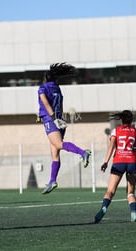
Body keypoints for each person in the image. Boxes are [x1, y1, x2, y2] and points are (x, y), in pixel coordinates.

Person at [38, 63, 91, 194]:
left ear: (46, 78)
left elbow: (45, 102)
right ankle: (52, 181)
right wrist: (60, 119)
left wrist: (53, 117)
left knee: (58, 144)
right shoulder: (57, 88)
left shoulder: (42, 88)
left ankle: (83, 153)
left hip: (51, 119)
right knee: (55, 154)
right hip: (59, 119)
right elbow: (60, 104)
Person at [94, 110, 136, 223]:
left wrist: (105, 162)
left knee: (110, 191)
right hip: (132, 162)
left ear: (121, 119)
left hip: (119, 162)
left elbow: (111, 147)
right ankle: (133, 214)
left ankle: (103, 208)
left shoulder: (116, 130)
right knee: (130, 192)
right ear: (131, 120)